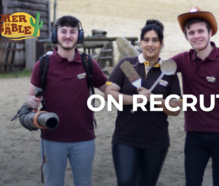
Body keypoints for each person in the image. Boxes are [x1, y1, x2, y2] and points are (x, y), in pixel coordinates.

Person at [26, 15, 107, 186]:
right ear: (55, 35)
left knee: (84, 183)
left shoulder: (88, 63)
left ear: (80, 36)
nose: (68, 35)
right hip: (51, 139)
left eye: (73, 31)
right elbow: (29, 97)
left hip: (84, 139)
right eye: (63, 31)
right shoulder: (42, 65)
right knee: (53, 183)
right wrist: (31, 102)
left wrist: (128, 93)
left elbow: (109, 89)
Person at [105, 19, 182, 186]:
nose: (150, 44)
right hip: (125, 138)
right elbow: (109, 94)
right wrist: (135, 99)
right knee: (126, 182)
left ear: (162, 44)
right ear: (140, 42)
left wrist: (153, 98)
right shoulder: (127, 65)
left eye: (155, 40)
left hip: (156, 141)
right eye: (146, 40)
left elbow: (175, 108)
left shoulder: (168, 72)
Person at [171, 7, 219, 186]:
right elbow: (158, 69)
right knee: (192, 182)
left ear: (210, 33)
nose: (196, 36)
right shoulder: (182, 59)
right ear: (187, 36)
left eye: (200, 31)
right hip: (194, 136)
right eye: (191, 32)